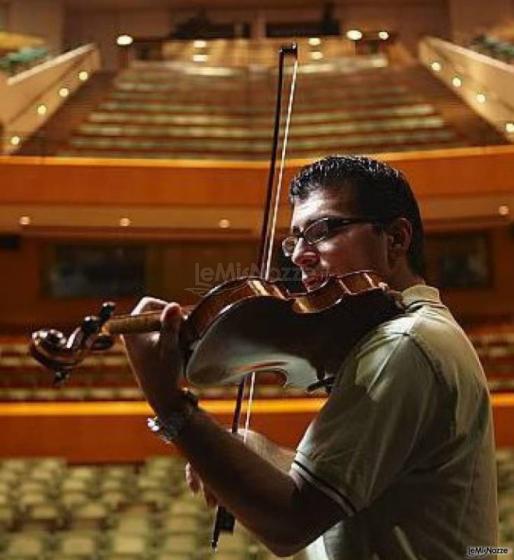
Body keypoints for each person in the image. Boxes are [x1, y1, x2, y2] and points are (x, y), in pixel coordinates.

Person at [123, 155, 498, 560]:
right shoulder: (414, 331)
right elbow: (340, 479)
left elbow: (290, 523)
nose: (300, 255)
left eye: (322, 231)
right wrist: (257, 449)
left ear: (396, 239)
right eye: (295, 239)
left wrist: (169, 403)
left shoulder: (403, 344)